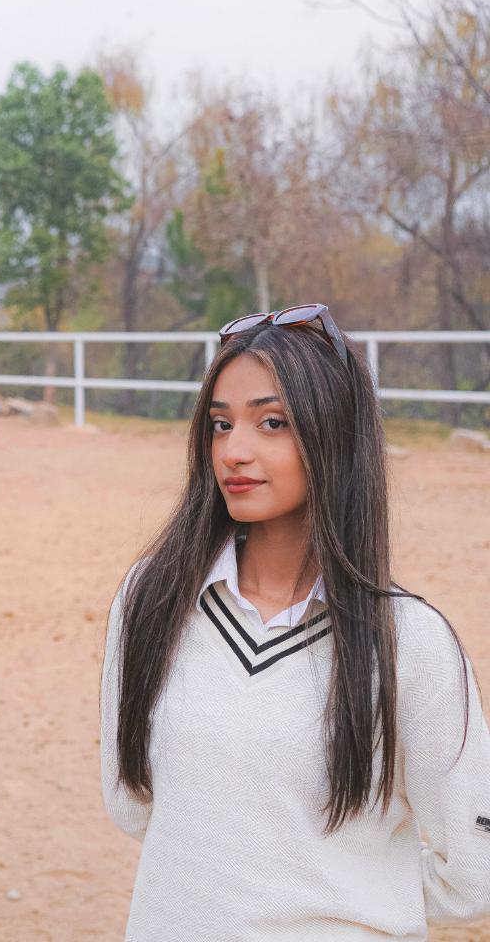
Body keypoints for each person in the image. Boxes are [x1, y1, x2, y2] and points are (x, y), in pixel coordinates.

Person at [100, 304, 490, 940]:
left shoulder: (409, 642)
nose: (235, 450)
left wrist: (341, 892)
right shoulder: (150, 599)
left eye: (272, 422)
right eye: (220, 425)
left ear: (334, 432)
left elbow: (477, 869)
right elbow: (133, 799)